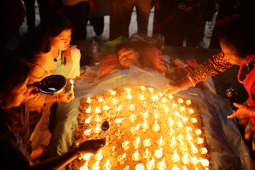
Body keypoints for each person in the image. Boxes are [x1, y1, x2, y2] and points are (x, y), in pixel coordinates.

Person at [163, 19, 255, 159]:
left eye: (229, 55)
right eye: (223, 51)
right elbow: (214, 65)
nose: (224, 57)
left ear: (250, 57)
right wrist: (181, 84)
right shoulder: (249, 44)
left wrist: (250, 111)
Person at [0, 53, 105, 170]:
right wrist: (78, 151)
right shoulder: (4, 135)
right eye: (22, 88)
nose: (27, 89)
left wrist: (25, 95)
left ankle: (28, 151)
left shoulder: (7, 110)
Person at [16, 11, 80, 112]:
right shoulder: (40, 63)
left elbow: (65, 43)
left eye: (69, 36)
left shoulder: (49, 44)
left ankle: (66, 84)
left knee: (75, 52)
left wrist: (66, 49)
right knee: (34, 104)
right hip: (25, 98)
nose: (67, 41)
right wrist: (57, 98)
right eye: (62, 38)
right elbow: (27, 98)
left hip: (46, 76)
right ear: (48, 36)